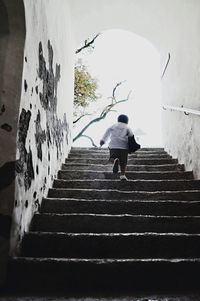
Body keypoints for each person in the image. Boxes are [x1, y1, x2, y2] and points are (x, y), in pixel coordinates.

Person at [100, 114, 134, 181]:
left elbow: (107, 133)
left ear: (118, 120)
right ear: (127, 121)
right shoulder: (127, 127)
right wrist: (132, 145)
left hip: (113, 145)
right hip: (124, 146)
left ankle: (115, 160)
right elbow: (131, 135)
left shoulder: (113, 126)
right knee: (123, 161)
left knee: (113, 156)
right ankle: (122, 175)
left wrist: (103, 140)